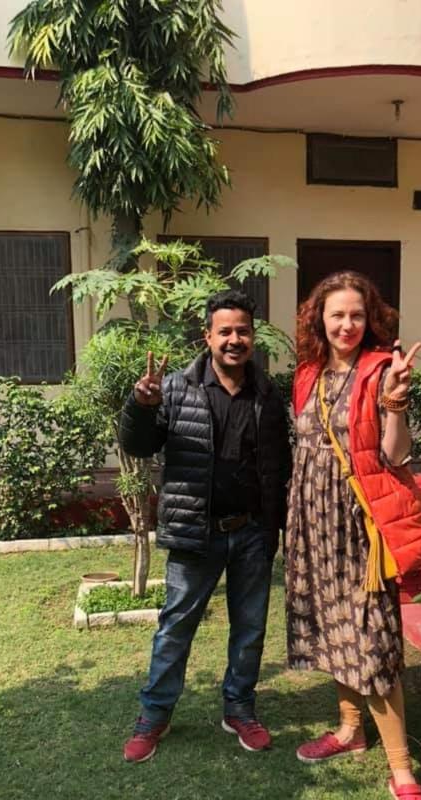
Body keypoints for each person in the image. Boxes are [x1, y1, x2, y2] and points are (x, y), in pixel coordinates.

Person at [285, 271, 421, 800]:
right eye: (337, 315)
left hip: (358, 526)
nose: (347, 325)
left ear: (369, 319)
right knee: (334, 628)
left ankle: (403, 771)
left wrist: (396, 401)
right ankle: (350, 730)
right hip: (312, 523)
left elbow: (395, 455)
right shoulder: (306, 375)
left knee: (371, 638)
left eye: (356, 315)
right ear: (319, 320)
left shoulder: (380, 370)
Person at [120, 289, 292, 762]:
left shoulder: (268, 394)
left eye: (243, 331)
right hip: (197, 533)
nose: (235, 340)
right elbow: (138, 445)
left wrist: (276, 525)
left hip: (253, 533)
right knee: (176, 627)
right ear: (208, 336)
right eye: (225, 331)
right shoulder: (176, 388)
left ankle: (239, 708)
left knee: (250, 629)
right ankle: (154, 714)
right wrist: (141, 405)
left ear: (253, 337)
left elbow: (279, 466)